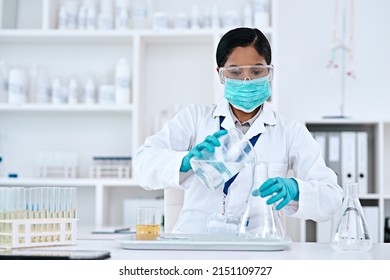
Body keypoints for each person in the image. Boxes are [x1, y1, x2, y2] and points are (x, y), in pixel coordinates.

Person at [134, 27, 342, 234]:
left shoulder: (290, 131)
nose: (246, 80)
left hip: (257, 247)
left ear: (269, 72)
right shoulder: (195, 117)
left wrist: (297, 190)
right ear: (220, 74)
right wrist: (185, 161)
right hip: (194, 244)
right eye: (235, 72)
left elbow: (332, 198)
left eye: (256, 71)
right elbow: (143, 165)